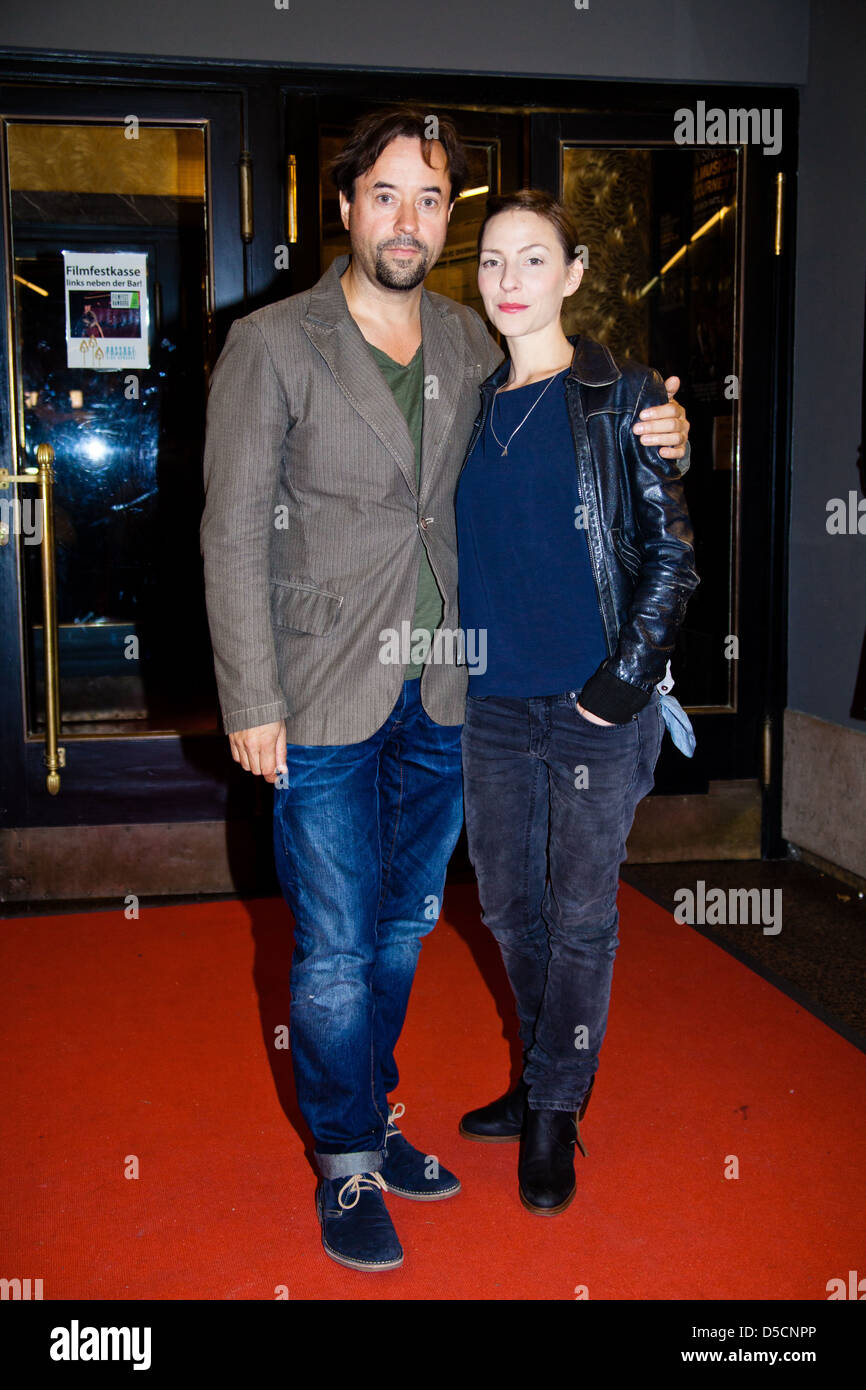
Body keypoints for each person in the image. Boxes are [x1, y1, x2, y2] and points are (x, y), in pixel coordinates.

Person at [199, 107, 691, 1272]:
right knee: (326, 949)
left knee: (402, 932)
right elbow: (229, 532)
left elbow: (575, 385)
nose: (406, 219)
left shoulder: (476, 343)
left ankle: (375, 1121)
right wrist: (248, 698)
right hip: (316, 696)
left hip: (449, 701)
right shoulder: (272, 344)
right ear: (345, 207)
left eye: (430, 200)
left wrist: (653, 419)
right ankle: (343, 1160)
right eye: (384, 194)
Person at [455, 189, 699, 1214]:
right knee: (509, 905)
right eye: (491, 262)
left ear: (572, 274)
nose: (508, 281)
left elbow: (671, 558)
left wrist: (619, 683)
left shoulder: (622, 393)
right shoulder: (464, 404)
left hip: (595, 702)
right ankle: (539, 1067)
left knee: (579, 915)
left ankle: (553, 1104)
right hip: (489, 704)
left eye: (531, 260)